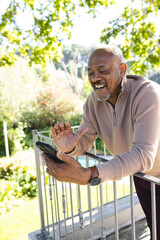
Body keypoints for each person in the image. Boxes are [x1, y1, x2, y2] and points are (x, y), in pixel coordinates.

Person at [43, 45, 160, 239]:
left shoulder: (147, 94)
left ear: (122, 70)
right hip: (144, 178)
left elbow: (143, 154)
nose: (95, 78)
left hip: (152, 170)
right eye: (90, 73)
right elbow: (86, 138)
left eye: (103, 71)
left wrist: (91, 174)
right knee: (155, 228)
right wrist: (70, 146)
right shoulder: (92, 102)